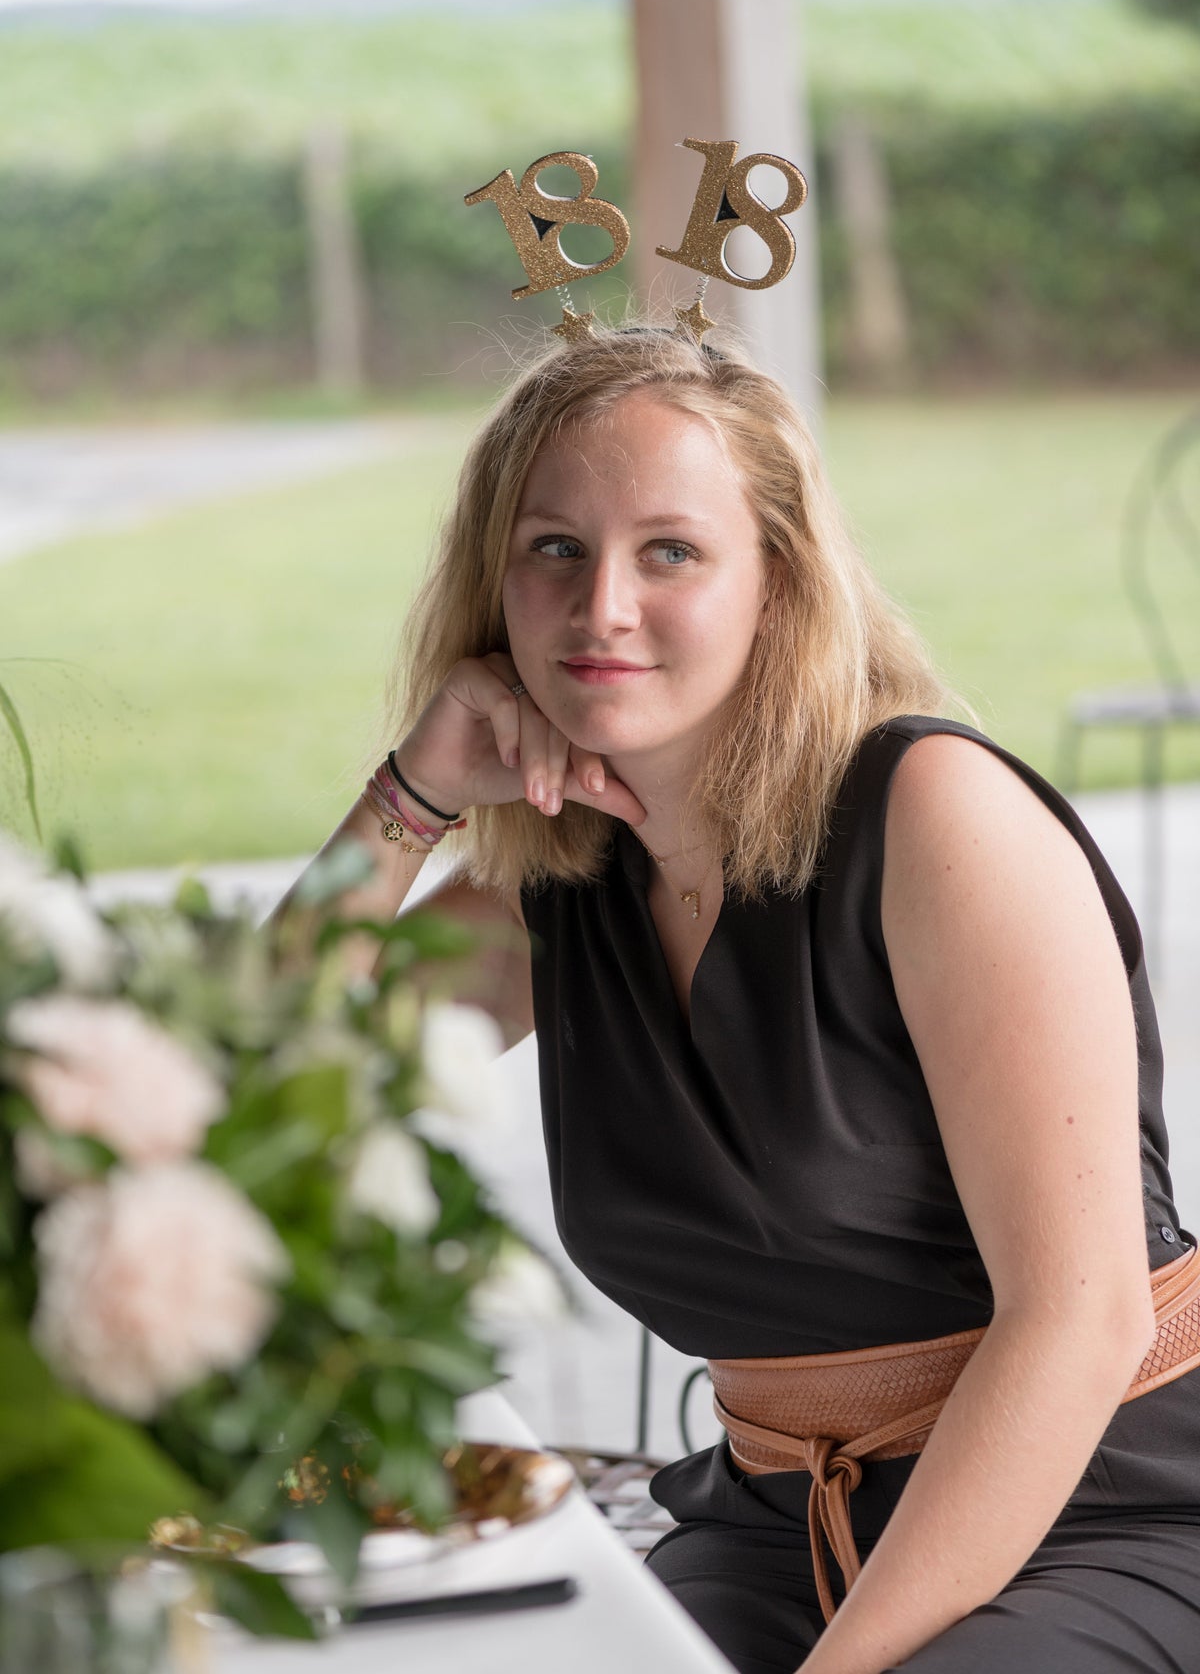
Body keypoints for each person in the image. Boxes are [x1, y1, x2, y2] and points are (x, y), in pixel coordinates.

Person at [284, 325, 1200, 1674]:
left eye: (670, 551)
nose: (601, 606)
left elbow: (1083, 1321)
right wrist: (410, 792)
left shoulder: (934, 815)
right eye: (554, 548)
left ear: (778, 582)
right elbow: (242, 1095)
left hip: (1103, 1507)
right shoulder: (564, 888)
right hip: (776, 1526)